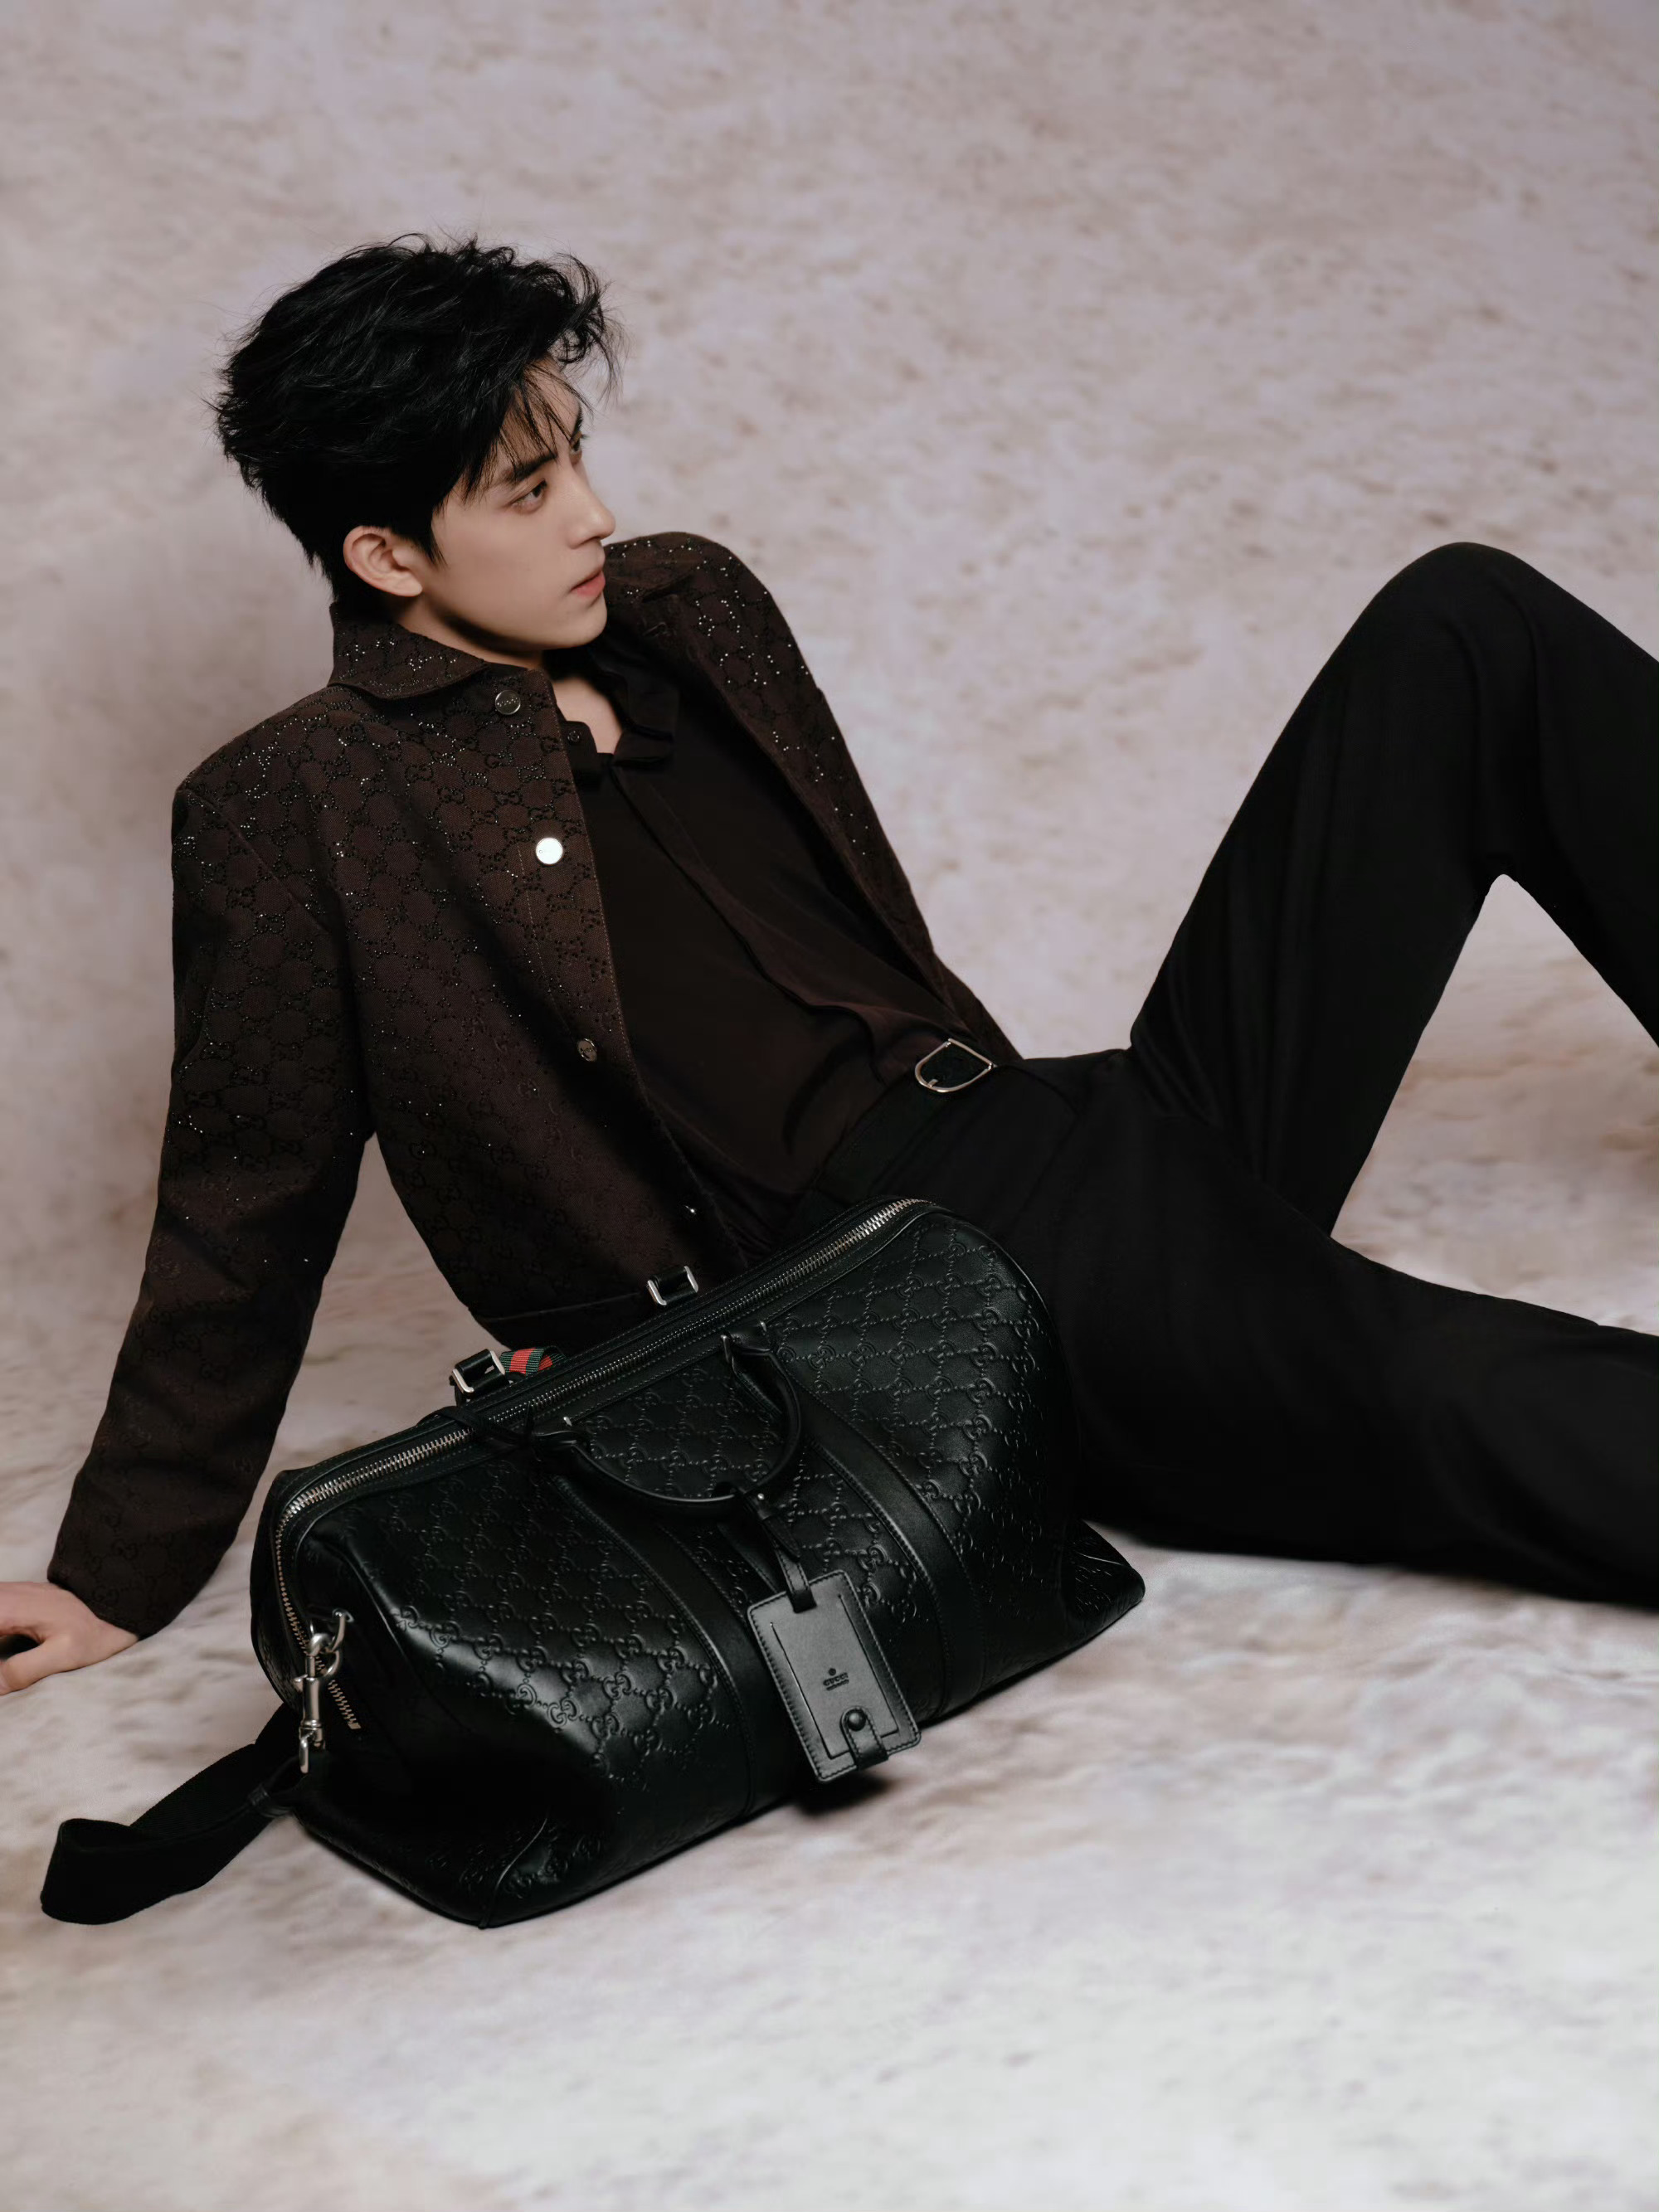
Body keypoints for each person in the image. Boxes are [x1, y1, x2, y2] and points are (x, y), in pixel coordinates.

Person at [2, 236, 1653, 1696]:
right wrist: (115, 1571)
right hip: (931, 1304)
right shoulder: (302, 807)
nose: (591, 514)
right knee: (1458, 1390)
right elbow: (244, 1199)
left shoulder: (688, 609)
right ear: (386, 557)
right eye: (527, 490)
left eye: (576, 457)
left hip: (1078, 1128)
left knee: (1466, 629)